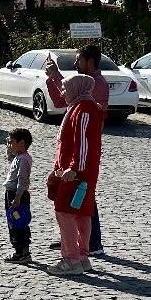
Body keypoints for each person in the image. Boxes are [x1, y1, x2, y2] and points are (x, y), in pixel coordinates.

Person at [44, 41, 108, 256]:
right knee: (78, 206)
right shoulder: (80, 98)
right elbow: (62, 98)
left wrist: (74, 167)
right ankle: (75, 244)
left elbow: (70, 94)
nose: (76, 62)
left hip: (81, 162)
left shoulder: (94, 85)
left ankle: (86, 247)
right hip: (76, 161)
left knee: (80, 206)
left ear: (90, 62)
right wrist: (53, 77)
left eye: (79, 59)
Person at [47, 75, 104, 276]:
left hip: (77, 175)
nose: (63, 92)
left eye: (66, 88)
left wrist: (73, 169)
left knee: (64, 211)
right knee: (81, 213)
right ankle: (81, 257)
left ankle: (71, 259)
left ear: (77, 88)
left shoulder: (84, 109)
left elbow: (83, 144)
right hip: (77, 172)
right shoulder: (81, 107)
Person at [4, 128, 33, 264]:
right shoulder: (19, 157)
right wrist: (8, 147)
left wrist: (17, 198)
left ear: (22, 143)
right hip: (13, 194)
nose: (9, 145)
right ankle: (21, 250)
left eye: (11, 142)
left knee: (17, 223)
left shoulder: (23, 160)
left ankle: (21, 252)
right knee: (14, 222)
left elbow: (23, 180)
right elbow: (10, 158)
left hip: (17, 195)